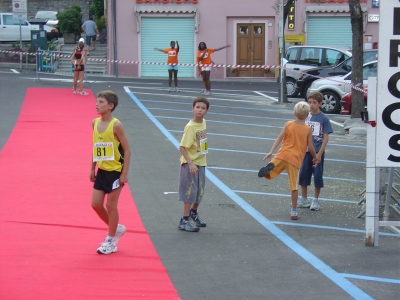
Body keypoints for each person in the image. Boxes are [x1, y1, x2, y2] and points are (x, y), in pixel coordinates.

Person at [258, 102, 319, 220]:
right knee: (294, 186)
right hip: (294, 160)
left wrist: (271, 151)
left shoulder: (289, 124)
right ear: (307, 115)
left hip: (282, 155)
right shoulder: (307, 129)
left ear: (295, 113)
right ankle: (294, 211)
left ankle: (270, 169)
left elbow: (280, 137)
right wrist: (315, 157)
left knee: (275, 167)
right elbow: (310, 147)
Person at [90, 90, 131, 254]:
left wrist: (124, 173)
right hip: (102, 171)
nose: (97, 104)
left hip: (115, 171)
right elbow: (95, 147)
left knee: (111, 206)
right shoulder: (94, 123)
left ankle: (111, 240)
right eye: (97, 101)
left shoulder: (116, 125)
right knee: (96, 204)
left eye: (101, 102)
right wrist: (92, 167)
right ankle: (116, 228)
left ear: (110, 106)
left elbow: (127, 150)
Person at [178, 96, 210, 232]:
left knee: (199, 192)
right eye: (197, 107)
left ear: (207, 111)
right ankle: (184, 220)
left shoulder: (203, 122)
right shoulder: (190, 127)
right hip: (191, 164)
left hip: (201, 162)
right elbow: (182, 147)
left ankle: (193, 213)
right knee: (189, 193)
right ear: (192, 109)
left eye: (203, 108)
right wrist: (190, 163)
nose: (200, 110)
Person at [298, 91, 333, 211]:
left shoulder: (323, 118)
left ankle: (315, 200)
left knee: (317, 175)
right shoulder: (305, 116)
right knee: (303, 174)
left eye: (314, 102)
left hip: (317, 152)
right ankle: (303, 198)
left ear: (320, 104)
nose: (311, 105)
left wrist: (319, 153)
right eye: (309, 102)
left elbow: (326, 138)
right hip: (306, 152)